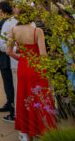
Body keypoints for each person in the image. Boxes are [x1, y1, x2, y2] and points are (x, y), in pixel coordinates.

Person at [7, 7, 56, 137]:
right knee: (41, 98)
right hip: (36, 67)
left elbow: (9, 51)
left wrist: (22, 58)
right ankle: (44, 131)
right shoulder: (37, 31)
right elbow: (43, 55)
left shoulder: (14, 30)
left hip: (23, 66)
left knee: (24, 97)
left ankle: (28, 134)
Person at [0, 1, 15, 121]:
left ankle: (12, 110)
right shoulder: (16, 22)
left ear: (1, 11)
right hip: (16, 57)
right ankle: (10, 105)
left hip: (5, 57)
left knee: (8, 85)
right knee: (14, 84)